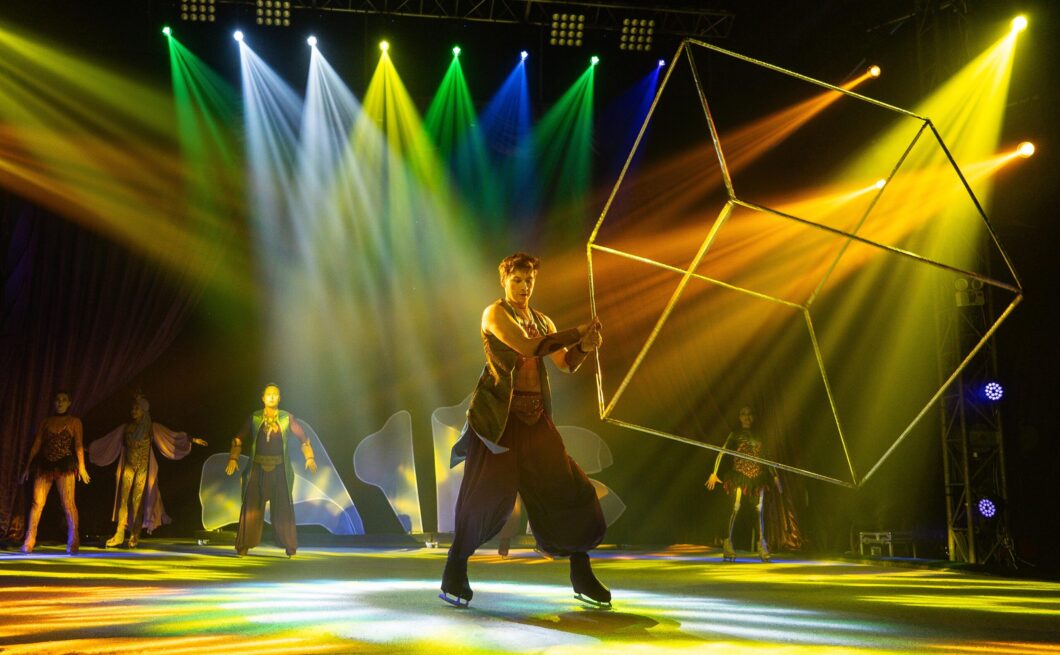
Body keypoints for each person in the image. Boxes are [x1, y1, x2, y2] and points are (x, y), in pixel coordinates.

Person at [441, 252, 609, 608]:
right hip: (499, 423)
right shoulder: (494, 314)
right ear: (504, 280)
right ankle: (454, 571)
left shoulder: (543, 320)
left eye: (529, 280)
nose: (523, 286)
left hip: (535, 420)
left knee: (571, 489)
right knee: (483, 499)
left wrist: (583, 346)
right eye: (517, 280)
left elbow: (565, 364)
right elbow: (529, 347)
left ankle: (581, 573)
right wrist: (576, 332)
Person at [89, 393, 207, 548]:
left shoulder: (151, 427)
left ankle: (135, 533)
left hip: (143, 469)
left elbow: (171, 436)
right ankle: (119, 533)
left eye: (137, 408)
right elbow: (108, 441)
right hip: (128, 467)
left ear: (144, 410)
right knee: (123, 500)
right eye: (132, 408)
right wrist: (90, 449)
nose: (133, 411)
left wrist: (190, 439)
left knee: (137, 501)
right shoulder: (126, 428)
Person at [225, 383, 317, 557]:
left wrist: (309, 457)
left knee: (283, 508)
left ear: (279, 398)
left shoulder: (286, 418)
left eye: (275, 394)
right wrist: (233, 457)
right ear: (263, 398)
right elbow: (238, 439)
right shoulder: (255, 417)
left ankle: (289, 546)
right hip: (257, 469)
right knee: (250, 508)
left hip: (280, 470)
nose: (272, 397)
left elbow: (304, 439)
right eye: (269, 394)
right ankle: (243, 546)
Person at [705, 406, 782, 562]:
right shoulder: (735, 434)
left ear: (753, 417)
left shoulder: (759, 435)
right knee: (736, 507)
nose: (747, 417)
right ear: (739, 417)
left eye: (749, 414)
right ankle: (727, 544)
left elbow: (767, 456)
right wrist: (714, 473)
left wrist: (775, 477)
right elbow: (722, 451)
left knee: (759, 510)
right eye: (743, 414)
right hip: (739, 475)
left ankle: (762, 545)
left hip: (757, 477)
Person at [19, 390, 91, 554]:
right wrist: (27, 467)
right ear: (54, 402)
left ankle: (73, 541)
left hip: (65, 463)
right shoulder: (46, 422)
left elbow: (78, 444)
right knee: (37, 503)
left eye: (64, 400)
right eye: (57, 400)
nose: (60, 402)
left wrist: (82, 466)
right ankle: (29, 540)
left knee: (68, 504)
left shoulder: (74, 422)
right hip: (45, 464)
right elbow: (37, 443)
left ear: (69, 403)